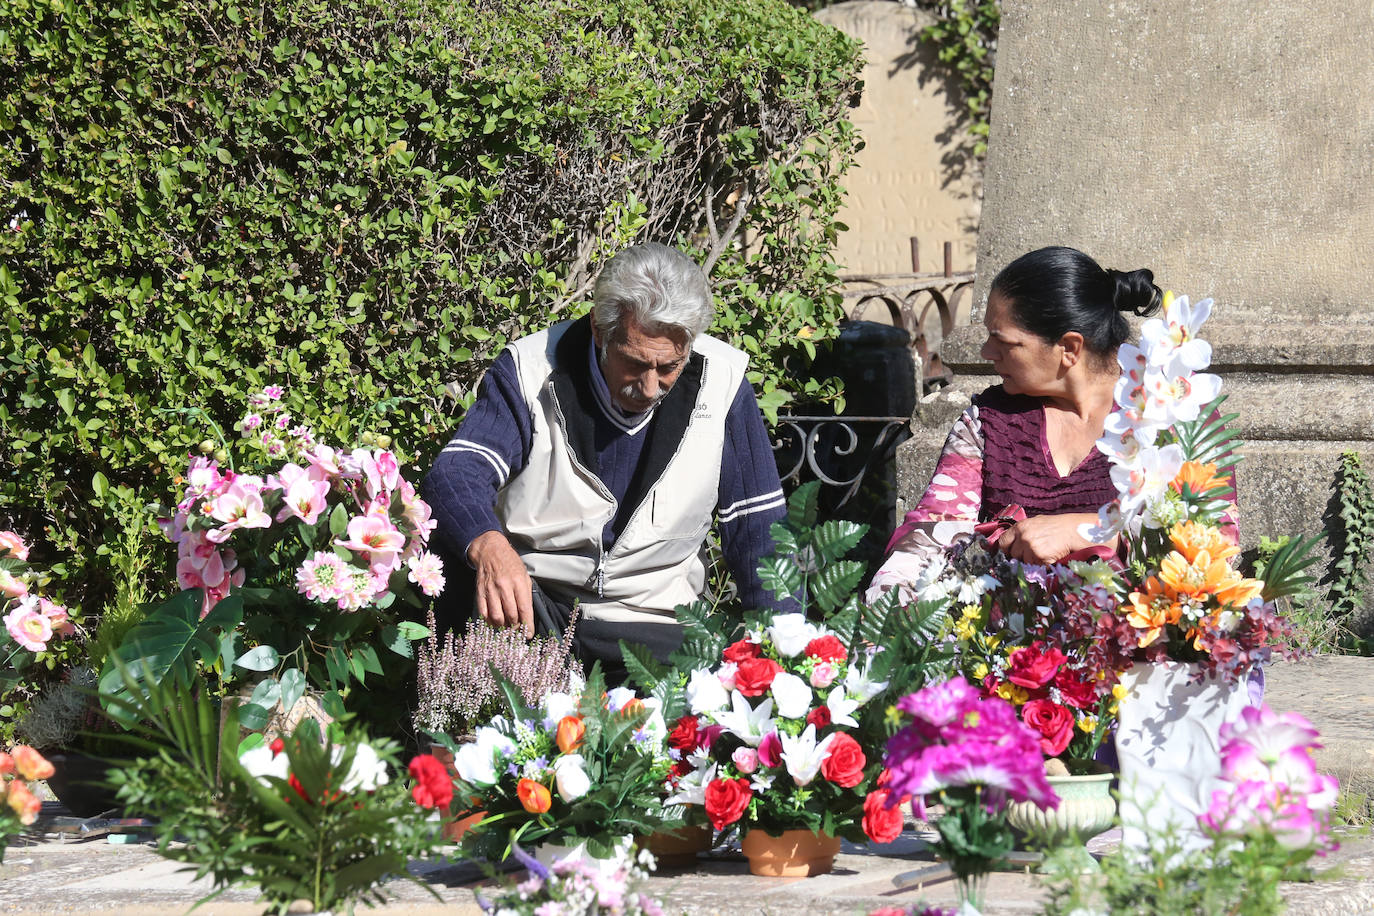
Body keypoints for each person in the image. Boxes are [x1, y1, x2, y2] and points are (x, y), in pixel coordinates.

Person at [423, 242, 788, 680]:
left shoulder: (723, 386)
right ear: (600, 329)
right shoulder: (529, 370)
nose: (651, 386)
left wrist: (783, 658)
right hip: (535, 615)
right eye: (634, 363)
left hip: (659, 626)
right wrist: (490, 546)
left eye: (669, 366)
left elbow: (760, 534)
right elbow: (457, 472)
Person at [869, 245, 1238, 593]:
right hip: (1003, 651)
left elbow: (1215, 544)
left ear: (1069, 348)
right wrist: (875, 632)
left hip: (1136, 646)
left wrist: (1094, 533)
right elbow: (926, 540)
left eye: (1005, 342)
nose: (986, 353)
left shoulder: (1178, 412)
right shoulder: (987, 422)